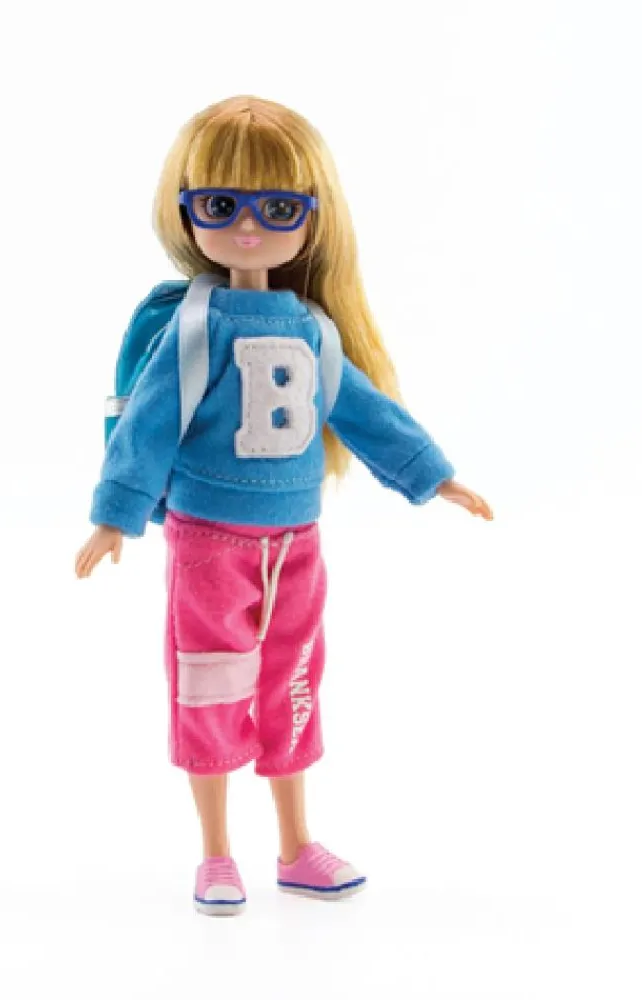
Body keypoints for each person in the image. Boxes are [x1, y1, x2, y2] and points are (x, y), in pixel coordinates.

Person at [75, 95, 493, 916]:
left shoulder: (313, 329)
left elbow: (363, 409)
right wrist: (115, 513)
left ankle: (296, 847)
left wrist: (430, 474)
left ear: (312, 216)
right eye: (220, 206)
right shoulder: (194, 326)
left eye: (277, 210)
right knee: (208, 685)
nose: (248, 228)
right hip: (208, 541)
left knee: (293, 685)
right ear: (185, 210)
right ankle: (216, 853)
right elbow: (151, 420)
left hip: (296, 542)